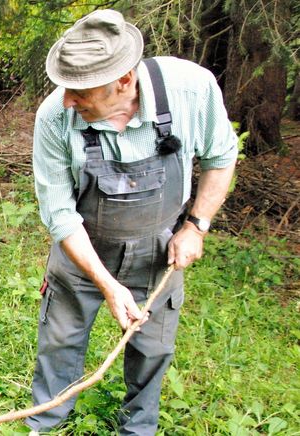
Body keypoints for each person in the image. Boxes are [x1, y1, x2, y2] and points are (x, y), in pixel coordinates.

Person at [25, 9, 238, 435]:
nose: (68, 100)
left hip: (157, 252)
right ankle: (44, 426)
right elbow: (60, 213)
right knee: (60, 341)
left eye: (79, 91)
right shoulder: (55, 116)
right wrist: (105, 282)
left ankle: (138, 428)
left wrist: (196, 225)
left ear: (123, 81)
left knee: (153, 349)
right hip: (81, 250)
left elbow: (220, 156)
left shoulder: (191, 90)